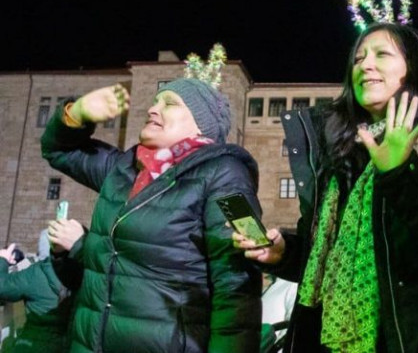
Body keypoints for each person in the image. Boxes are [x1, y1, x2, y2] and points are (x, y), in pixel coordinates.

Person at [233, 23, 418, 353]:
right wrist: (282, 254)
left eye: (382, 54)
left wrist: (402, 173)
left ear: (414, 67)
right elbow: (324, 260)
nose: (365, 65)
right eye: (358, 59)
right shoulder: (338, 158)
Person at [41, 71, 263, 353]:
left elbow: (238, 281)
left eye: (169, 103)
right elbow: (57, 150)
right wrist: (77, 113)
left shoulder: (225, 175)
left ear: (201, 124)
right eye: (155, 100)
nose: (153, 108)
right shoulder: (124, 169)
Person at [0, 241, 74, 353]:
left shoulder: (37, 273)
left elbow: (3, 287)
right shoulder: (93, 277)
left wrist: (3, 260)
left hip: (32, 344)